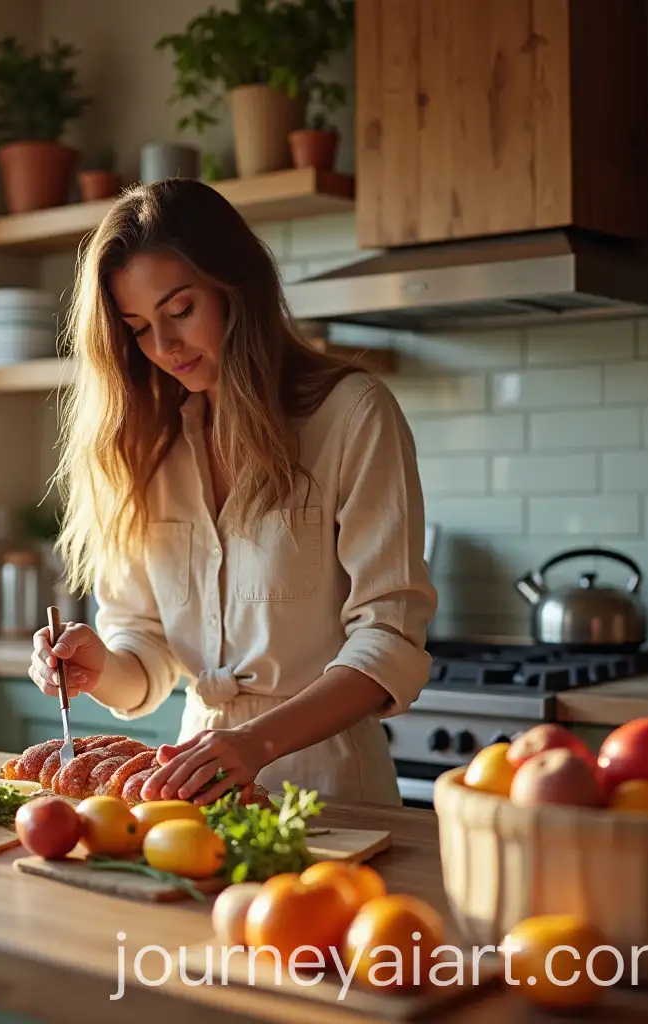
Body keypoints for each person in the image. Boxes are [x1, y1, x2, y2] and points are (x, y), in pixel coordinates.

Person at [27, 177, 437, 807]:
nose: (162, 348)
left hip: (332, 791)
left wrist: (255, 744)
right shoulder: (148, 445)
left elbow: (390, 642)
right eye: (137, 328)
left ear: (236, 285)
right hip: (190, 790)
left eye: (180, 311)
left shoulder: (352, 416)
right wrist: (99, 664)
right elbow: (147, 657)